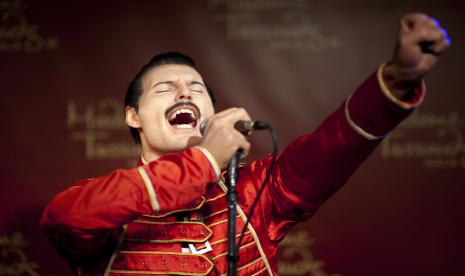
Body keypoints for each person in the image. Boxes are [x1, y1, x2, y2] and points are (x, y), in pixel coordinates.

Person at [41, 13, 450, 275]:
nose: (184, 92)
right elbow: (64, 217)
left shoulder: (255, 193)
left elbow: (333, 147)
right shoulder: (104, 204)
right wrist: (203, 160)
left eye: (197, 89)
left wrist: (395, 81)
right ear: (133, 116)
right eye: (166, 88)